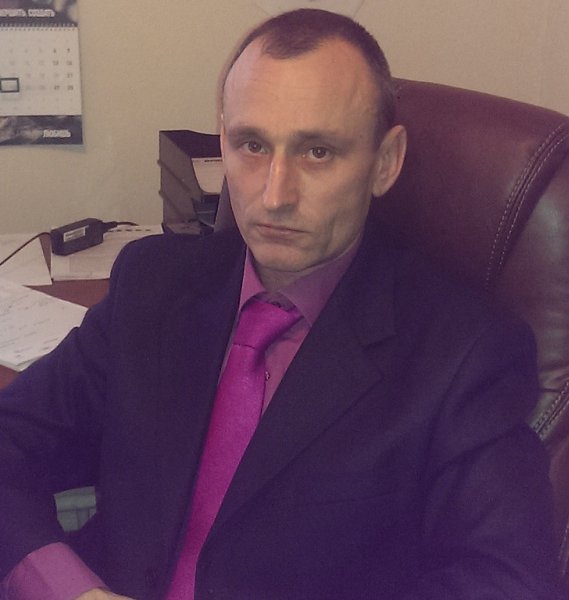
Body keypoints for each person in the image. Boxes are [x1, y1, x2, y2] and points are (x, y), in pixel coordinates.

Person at [0, 8, 559, 600]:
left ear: (385, 162)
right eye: (252, 145)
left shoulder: (464, 354)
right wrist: (67, 588)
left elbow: (510, 583)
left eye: (317, 152)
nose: (275, 194)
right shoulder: (154, 285)